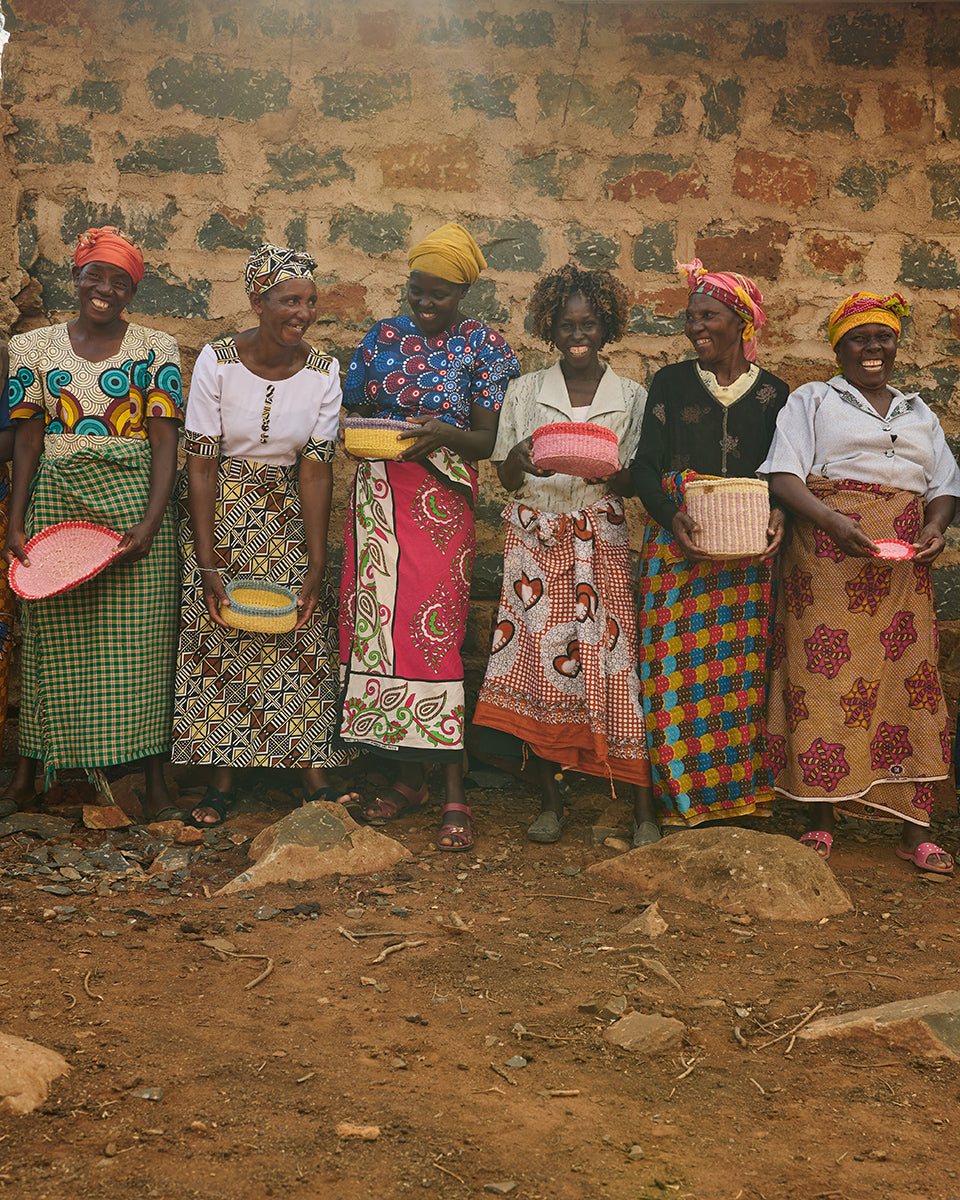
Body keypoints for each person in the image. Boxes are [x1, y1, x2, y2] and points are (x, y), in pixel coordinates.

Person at [761, 291, 960, 873]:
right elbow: (783, 474)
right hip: (827, 557)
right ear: (839, 348)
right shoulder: (814, 399)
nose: (872, 348)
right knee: (824, 682)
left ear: (896, 344)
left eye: (883, 337)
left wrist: (937, 526)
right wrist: (831, 520)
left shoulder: (919, 411)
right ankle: (821, 819)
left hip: (903, 570)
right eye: (858, 339)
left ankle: (913, 827)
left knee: (908, 683)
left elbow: (945, 482)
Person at [339, 222, 519, 850]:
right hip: (378, 499)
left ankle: (453, 792)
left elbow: (489, 441)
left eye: (438, 294)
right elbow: (356, 409)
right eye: (417, 291)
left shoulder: (482, 346)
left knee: (430, 636)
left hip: (441, 507)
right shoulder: (382, 337)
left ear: (463, 292)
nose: (424, 303)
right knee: (378, 634)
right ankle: (404, 776)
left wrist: (440, 433)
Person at [173, 244, 355, 825]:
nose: (300, 313)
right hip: (220, 510)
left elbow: (317, 467)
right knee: (222, 636)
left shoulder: (325, 372)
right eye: (287, 300)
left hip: (285, 513)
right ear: (258, 301)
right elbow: (200, 463)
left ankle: (309, 771)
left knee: (295, 635)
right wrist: (207, 565)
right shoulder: (217, 360)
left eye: (308, 301)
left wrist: (316, 556)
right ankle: (220, 780)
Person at [2, 227, 181, 818]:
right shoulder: (33, 349)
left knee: (142, 644)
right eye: (95, 276)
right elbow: (28, 440)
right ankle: (29, 775)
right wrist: (16, 519)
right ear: (76, 278)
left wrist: (152, 524)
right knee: (49, 637)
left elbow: (164, 445)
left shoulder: (159, 348)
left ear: (133, 291)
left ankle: (154, 779)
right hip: (56, 504)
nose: (105, 290)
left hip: (133, 508)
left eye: (120, 282)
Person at [472, 265, 653, 844]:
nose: (579, 334)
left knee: (615, 666)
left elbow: (632, 483)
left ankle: (641, 807)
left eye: (590, 324)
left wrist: (617, 474)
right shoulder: (525, 391)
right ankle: (550, 800)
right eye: (567, 324)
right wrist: (522, 457)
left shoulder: (631, 397)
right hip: (537, 544)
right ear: (550, 327)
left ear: (607, 328)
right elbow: (503, 473)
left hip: (600, 542)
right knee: (540, 669)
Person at [631, 259, 789, 840]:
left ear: (741, 321)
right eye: (691, 317)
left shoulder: (775, 393)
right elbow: (645, 466)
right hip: (678, 553)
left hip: (747, 561)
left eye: (709, 316)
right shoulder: (671, 383)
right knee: (669, 679)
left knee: (737, 681)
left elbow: (786, 472)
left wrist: (779, 516)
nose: (696, 327)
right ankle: (679, 804)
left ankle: (735, 803)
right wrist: (672, 518)